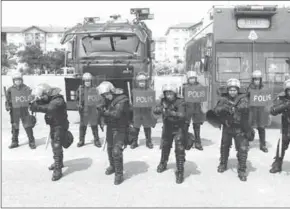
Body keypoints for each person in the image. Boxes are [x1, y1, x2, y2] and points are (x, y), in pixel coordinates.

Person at [30, 83, 72, 181]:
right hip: (54, 124)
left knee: (57, 145)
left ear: (48, 93)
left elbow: (49, 108)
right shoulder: (50, 98)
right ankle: (59, 162)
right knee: (54, 144)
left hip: (60, 125)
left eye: (43, 96)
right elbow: (43, 102)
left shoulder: (58, 100)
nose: (43, 98)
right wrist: (34, 101)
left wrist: (35, 107)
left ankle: (58, 169)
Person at [213, 78, 250, 181]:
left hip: (240, 128)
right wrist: (224, 108)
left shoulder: (243, 98)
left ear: (238, 90)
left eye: (234, 90)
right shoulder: (223, 99)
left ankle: (242, 169)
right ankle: (223, 164)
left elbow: (246, 106)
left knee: (242, 149)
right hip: (227, 127)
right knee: (224, 147)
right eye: (230, 90)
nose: (232, 92)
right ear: (227, 90)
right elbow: (216, 110)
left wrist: (237, 108)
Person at [97, 81, 131, 185]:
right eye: (104, 95)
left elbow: (116, 114)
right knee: (110, 148)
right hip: (111, 127)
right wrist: (101, 119)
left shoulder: (122, 99)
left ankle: (119, 174)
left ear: (112, 91)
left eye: (107, 94)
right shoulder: (106, 100)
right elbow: (101, 109)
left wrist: (104, 112)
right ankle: (113, 166)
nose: (106, 97)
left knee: (116, 150)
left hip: (121, 127)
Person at [153, 83, 187, 184]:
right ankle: (163, 163)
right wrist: (158, 109)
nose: (169, 96)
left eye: (170, 93)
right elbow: (155, 111)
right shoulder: (162, 101)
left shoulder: (180, 101)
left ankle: (180, 171)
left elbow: (182, 114)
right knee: (165, 146)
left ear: (174, 93)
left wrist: (170, 112)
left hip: (179, 128)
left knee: (179, 149)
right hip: (167, 127)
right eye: (167, 93)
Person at [5, 71, 36, 149]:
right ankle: (14, 141)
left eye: (19, 80)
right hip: (14, 111)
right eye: (16, 80)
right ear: (13, 81)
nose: (18, 81)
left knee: (28, 126)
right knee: (15, 127)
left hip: (24, 110)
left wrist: (32, 101)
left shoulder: (26, 88)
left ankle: (31, 141)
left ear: (22, 80)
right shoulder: (10, 89)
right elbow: (8, 100)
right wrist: (7, 106)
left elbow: (31, 98)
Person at [130, 72, 156, 149]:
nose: (142, 83)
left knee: (147, 128)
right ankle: (134, 141)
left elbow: (152, 102)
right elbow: (131, 101)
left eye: (143, 81)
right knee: (136, 128)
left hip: (146, 112)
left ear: (146, 82)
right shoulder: (134, 91)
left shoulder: (150, 91)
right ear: (137, 82)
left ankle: (148, 141)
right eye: (140, 81)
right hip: (137, 112)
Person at [269, 79, 290, 173]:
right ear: (286, 91)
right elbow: (272, 111)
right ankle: (277, 165)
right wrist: (285, 105)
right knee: (281, 146)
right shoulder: (281, 98)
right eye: (289, 90)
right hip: (286, 127)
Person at [76, 72, 102, 148]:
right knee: (82, 126)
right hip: (84, 110)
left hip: (92, 110)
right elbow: (77, 99)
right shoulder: (80, 89)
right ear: (83, 81)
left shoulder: (95, 89)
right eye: (86, 81)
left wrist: (98, 107)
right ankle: (81, 140)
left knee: (94, 126)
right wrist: (78, 105)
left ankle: (96, 140)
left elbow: (98, 100)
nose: (87, 82)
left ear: (91, 81)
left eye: (89, 80)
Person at [182, 71, 206, 150]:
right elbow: (182, 97)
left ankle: (198, 142)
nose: (192, 80)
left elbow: (203, 97)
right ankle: (185, 141)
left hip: (197, 108)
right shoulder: (185, 87)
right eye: (190, 79)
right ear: (188, 79)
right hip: (187, 108)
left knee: (197, 126)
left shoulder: (200, 86)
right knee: (185, 125)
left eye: (193, 78)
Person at [247, 70, 269, 152]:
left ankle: (262, 145)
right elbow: (246, 99)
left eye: (258, 79)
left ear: (261, 79)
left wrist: (268, 112)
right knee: (248, 127)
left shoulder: (264, 88)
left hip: (261, 111)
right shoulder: (249, 88)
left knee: (261, 128)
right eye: (255, 79)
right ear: (252, 80)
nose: (257, 81)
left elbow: (267, 100)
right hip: (251, 111)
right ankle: (246, 143)